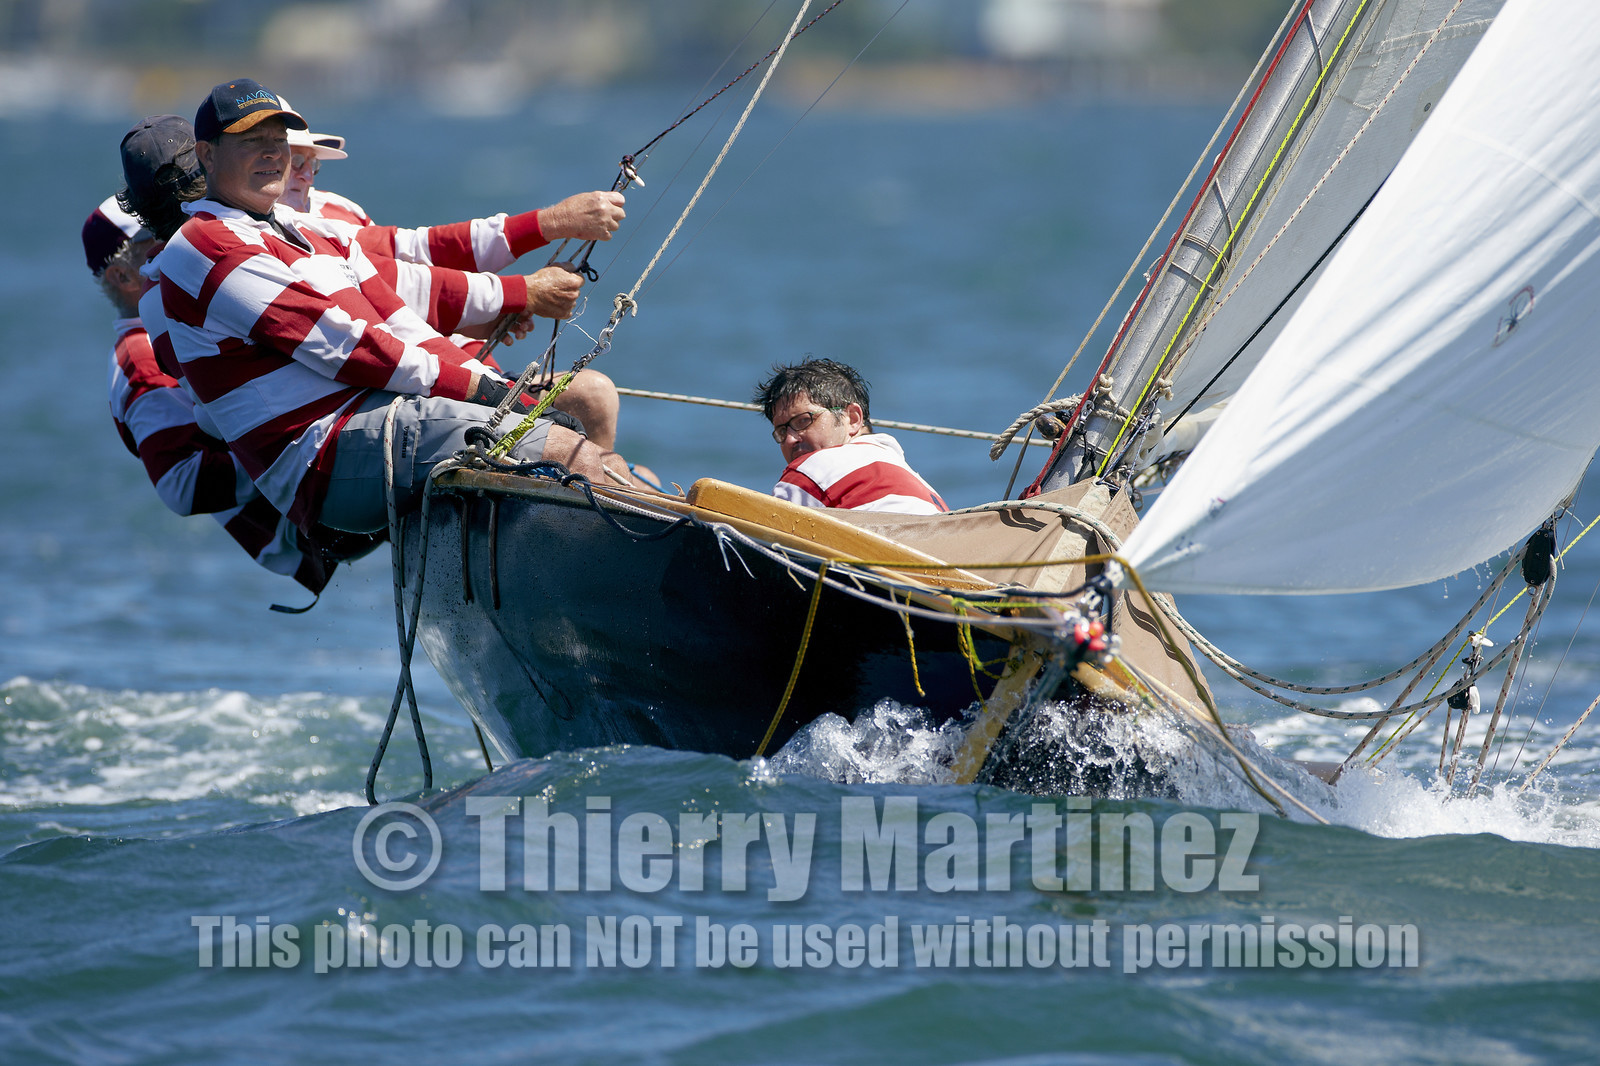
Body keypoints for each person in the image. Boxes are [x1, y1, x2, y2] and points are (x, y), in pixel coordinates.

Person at [156, 78, 640, 541]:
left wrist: (508, 394)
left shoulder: (308, 228)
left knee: (594, 455)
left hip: (378, 410)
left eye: (278, 140)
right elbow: (351, 347)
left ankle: (692, 534)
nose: (273, 154)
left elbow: (400, 322)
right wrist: (489, 388)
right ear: (206, 154)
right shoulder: (203, 246)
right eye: (250, 140)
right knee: (567, 451)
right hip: (322, 458)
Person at [278, 107, 627, 451]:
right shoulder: (278, 233)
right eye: (296, 162)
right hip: (366, 414)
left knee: (593, 395)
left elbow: (405, 270)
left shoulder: (336, 208)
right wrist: (529, 277)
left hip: (435, 379)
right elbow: (401, 276)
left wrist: (477, 326)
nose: (307, 175)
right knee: (578, 418)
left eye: (313, 163)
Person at [85, 179, 359, 595]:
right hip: (302, 524)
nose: (173, 237)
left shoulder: (170, 323)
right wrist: (283, 448)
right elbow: (181, 483)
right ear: (122, 275)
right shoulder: (140, 358)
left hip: (308, 502)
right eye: (152, 237)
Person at [754, 358, 948, 515]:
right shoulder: (928, 492)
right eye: (781, 431)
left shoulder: (812, 469)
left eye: (803, 421)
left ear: (853, 419)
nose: (790, 439)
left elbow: (764, 542)